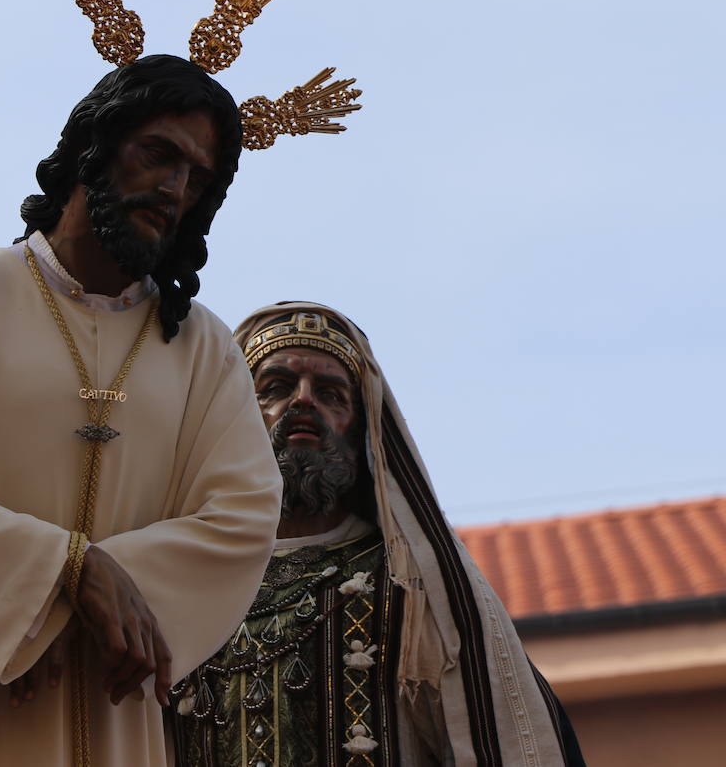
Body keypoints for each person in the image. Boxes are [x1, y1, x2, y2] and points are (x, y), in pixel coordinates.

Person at [0, 55, 285, 766]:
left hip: (113, 696)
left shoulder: (204, 350)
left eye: (198, 177)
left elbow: (242, 517)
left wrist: (86, 597)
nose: (175, 189)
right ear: (97, 142)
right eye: (159, 154)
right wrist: (69, 575)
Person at [169, 303, 585, 767]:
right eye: (276, 388)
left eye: (331, 394)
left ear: (362, 431)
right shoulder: (186, 581)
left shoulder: (411, 584)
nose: (304, 401)